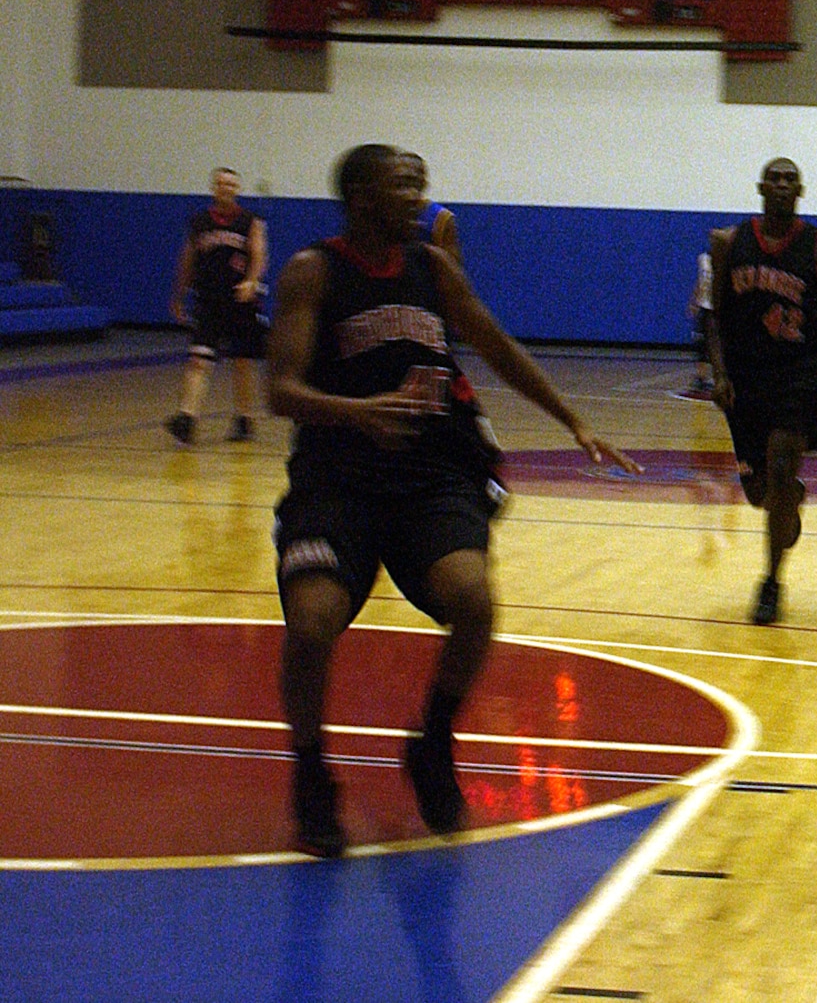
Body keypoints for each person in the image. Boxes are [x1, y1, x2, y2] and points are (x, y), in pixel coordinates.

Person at [268, 144, 635, 858]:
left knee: (474, 600)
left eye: (420, 185)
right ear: (361, 195)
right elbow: (281, 389)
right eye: (404, 186)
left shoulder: (431, 269)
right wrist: (358, 409)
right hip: (337, 476)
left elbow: (495, 345)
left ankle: (432, 742)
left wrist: (573, 418)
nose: (420, 198)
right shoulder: (314, 270)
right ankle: (311, 769)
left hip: (429, 476)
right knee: (311, 623)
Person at [707, 158, 817, 626]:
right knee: (760, 494)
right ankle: (785, 497)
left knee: (779, 459)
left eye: (788, 178)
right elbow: (714, 318)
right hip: (746, 376)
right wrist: (719, 374)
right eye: (773, 177)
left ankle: (771, 583)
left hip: (800, 370)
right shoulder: (729, 244)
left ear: (800, 190)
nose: (780, 184)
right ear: (759, 187)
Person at [166, 167, 268, 443]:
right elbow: (187, 260)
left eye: (231, 184)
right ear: (213, 187)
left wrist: (251, 280)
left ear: (237, 189)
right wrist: (178, 296)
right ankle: (187, 418)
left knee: (242, 362)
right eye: (221, 184)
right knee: (198, 359)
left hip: (240, 301)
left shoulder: (250, 221)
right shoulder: (199, 223)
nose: (226, 188)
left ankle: (244, 419)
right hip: (208, 301)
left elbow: (259, 254)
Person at [405, 152, 462, 265]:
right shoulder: (387, 214)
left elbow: (453, 267)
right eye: (403, 181)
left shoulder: (441, 218)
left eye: (413, 180)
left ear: (424, 183)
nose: (409, 187)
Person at [686, 247, 716, 395]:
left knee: (717, 344)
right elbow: (700, 281)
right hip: (705, 306)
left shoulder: (725, 261)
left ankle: (718, 377)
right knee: (700, 342)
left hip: (717, 308)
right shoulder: (704, 258)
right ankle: (701, 377)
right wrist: (694, 301)